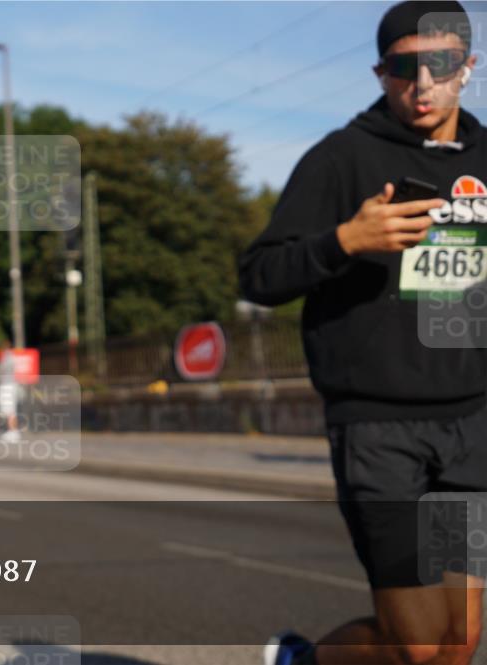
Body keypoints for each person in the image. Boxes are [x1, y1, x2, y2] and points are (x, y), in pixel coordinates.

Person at [239, 3, 485, 664]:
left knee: (456, 645)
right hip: (379, 430)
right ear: (381, 74)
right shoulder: (341, 157)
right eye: (406, 68)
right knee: (415, 645)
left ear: (469, 66)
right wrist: (346, 239)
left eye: (441, 65)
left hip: (473, 425)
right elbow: (258, 275)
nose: (424, 84)